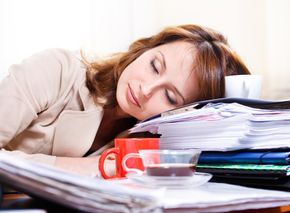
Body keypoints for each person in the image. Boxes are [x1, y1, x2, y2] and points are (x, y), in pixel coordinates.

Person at [0, 24, 250, 177]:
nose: (146, 89)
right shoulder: (57, 69)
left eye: (170, 95)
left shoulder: (150, 138)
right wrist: (82, 167)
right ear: (145, 49)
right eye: (154, 65)